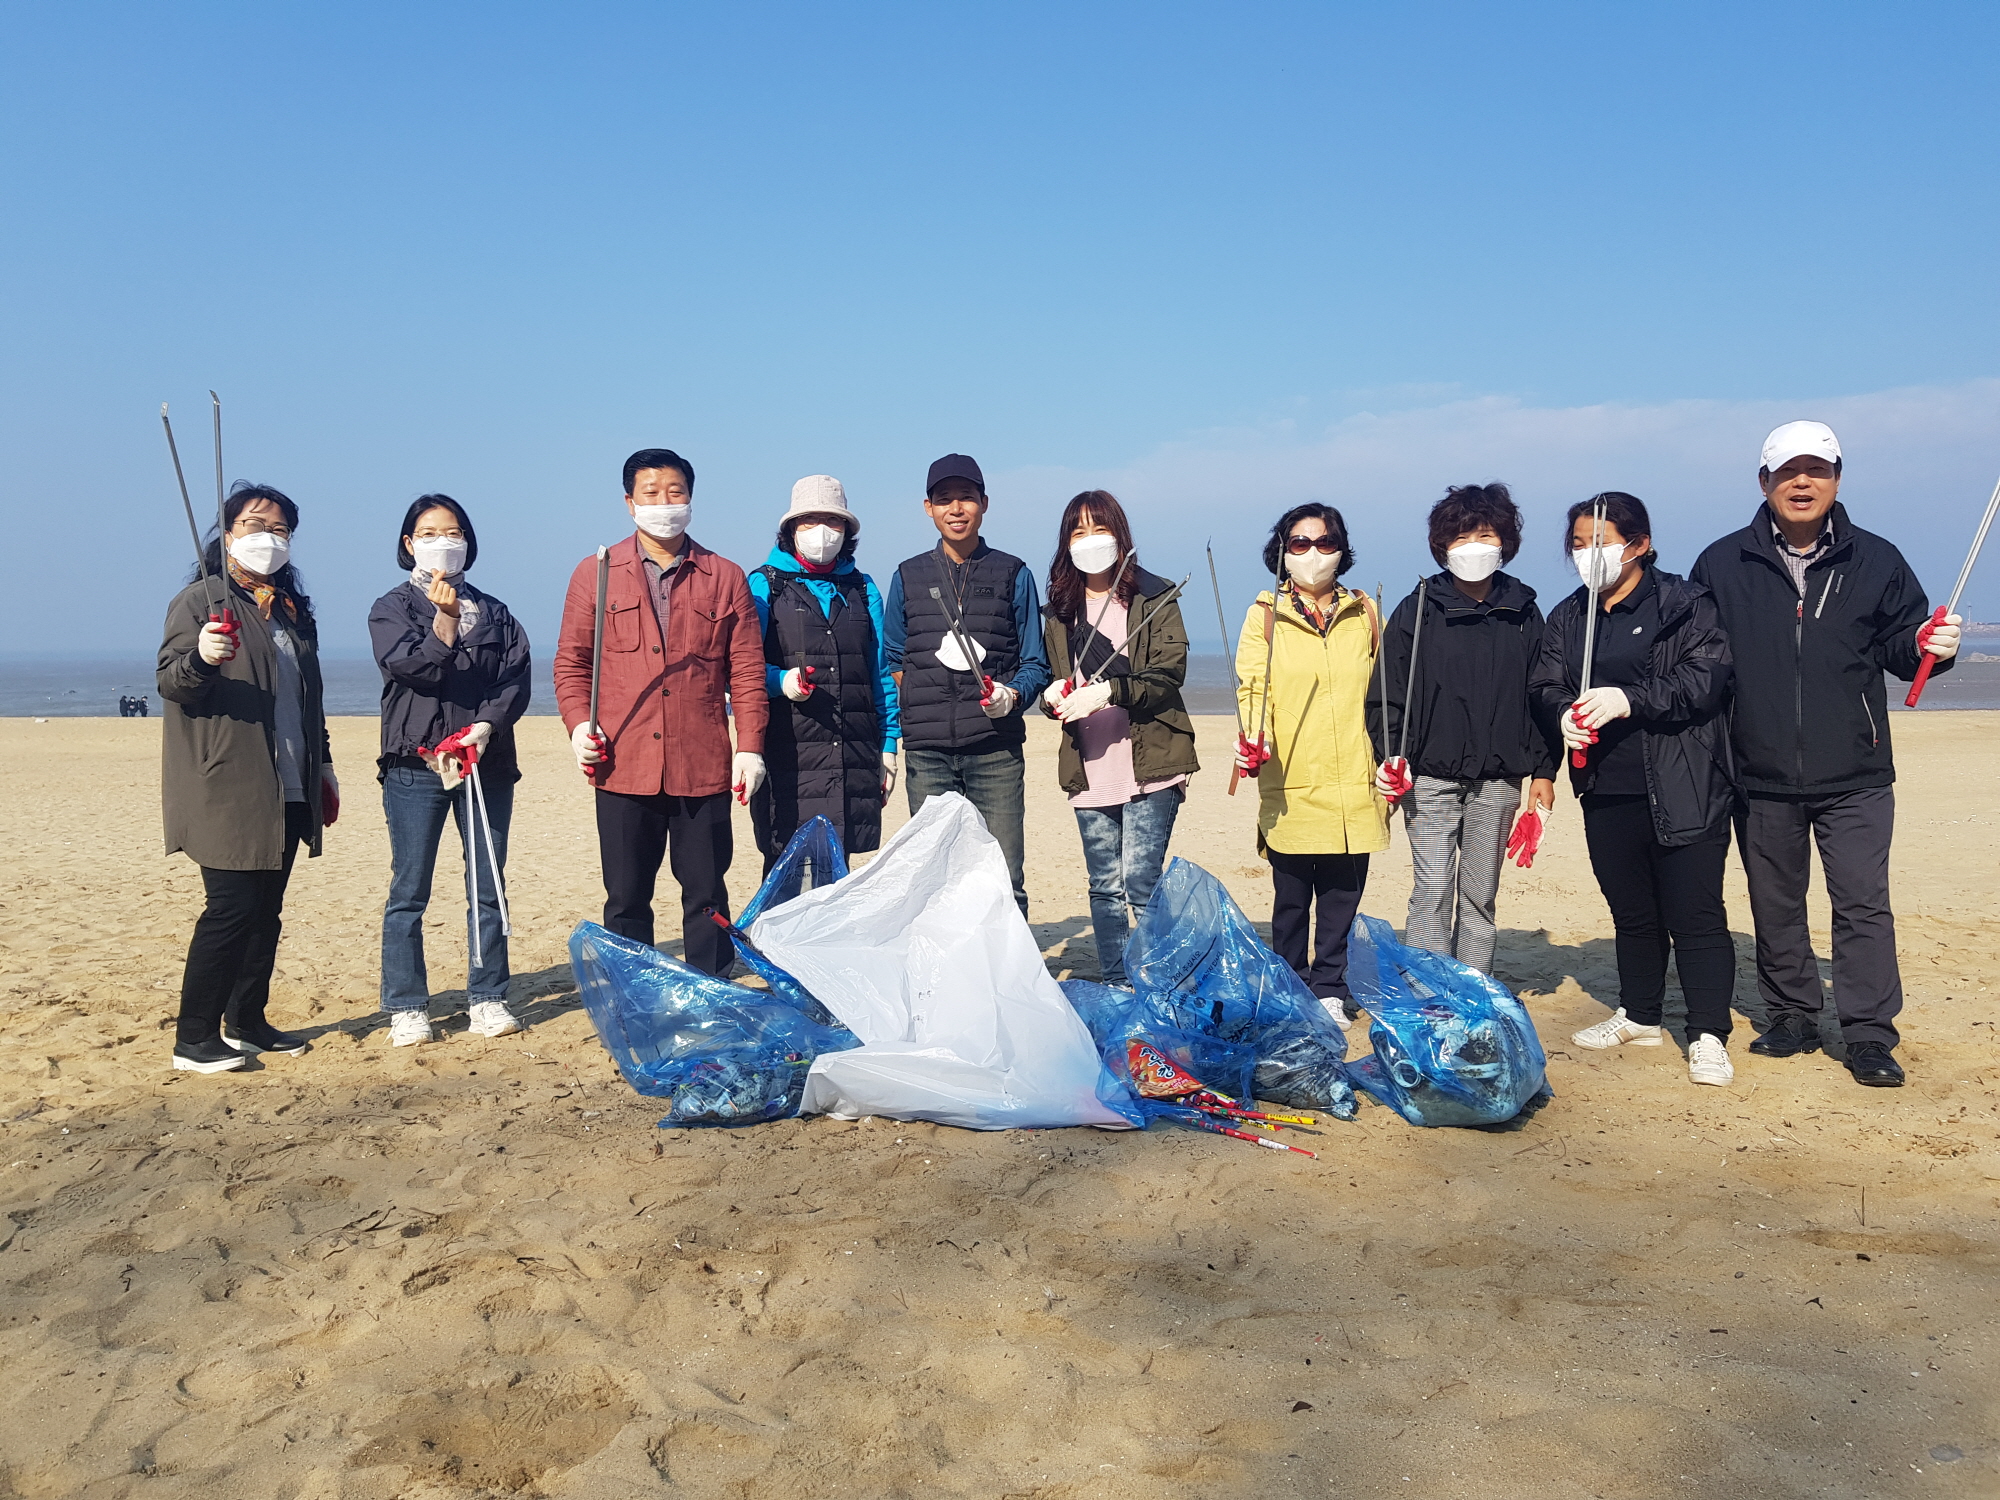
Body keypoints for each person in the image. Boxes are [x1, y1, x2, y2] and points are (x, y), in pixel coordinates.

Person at [1690, 422, 1958, 1088]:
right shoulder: (1722, 563)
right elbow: (1695, 659)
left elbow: (1905, 648)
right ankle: (1792, 1017)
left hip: (1856, 770)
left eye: (1817, 469)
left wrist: (1935, 645)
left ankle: (1868, 1035)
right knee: (1775, 904)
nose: (1801, 482)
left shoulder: (1877, 558)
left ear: (1837, 478)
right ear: (1764, 482)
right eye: (1787, 471)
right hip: (1758, 768)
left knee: (1863, 904)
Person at [1528, 492, 1738, 1088]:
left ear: (1639, 544)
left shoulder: (1685, 604)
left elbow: (1706, 678)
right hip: (1605, 784)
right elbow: (1545, 681)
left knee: (1695, 913)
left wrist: (1630, 699)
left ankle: (1706, 1032)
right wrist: (1561, 713)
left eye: (1600, 541)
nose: (1587, 554)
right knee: (1633, 912)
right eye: (1576, 543)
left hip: (1683, 779)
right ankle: (1641, 1014)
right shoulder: (1570, 615)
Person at [554, 448, 767, 976]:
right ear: (629, 502)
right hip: (623, 765)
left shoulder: (725, 575)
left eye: (675, 492)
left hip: (703, 765)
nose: (664, 503)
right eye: (650, 493)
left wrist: (750, 748)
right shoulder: (595, 573)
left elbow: (745, 672)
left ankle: (713, 990)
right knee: (626, 898)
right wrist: (579, 724)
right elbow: (571, 662)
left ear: (691, 499)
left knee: (707, 895)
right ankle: (636, 997)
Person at [156, 483, 337, 1073]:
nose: (270, 538)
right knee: (230, 908)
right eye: (256, 525)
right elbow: (174, 683)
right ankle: (195, 1037)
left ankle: (248, 1020)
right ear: (228, 532)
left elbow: (309, 699)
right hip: (228, 781)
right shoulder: (200, 601)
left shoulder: (288, 608)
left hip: (290, 779)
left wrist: (325, 766)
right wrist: (203, 655)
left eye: (281, 529)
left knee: (267, 910)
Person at [369, 494, 534, 1046]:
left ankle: (488, 996)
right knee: (409, 889)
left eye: (454, 531)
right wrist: (442, 619)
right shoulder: (390, 608)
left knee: (488, 882)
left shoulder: (495, 612)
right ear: (409, 544)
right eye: (430, 532)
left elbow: (514, 677)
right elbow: (408, 666)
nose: (445, 541)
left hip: (484, 765)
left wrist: (485, 726)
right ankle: (407, 1005)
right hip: (416, 766)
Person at [1378, 484, 1558, 976]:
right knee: (1433, 891)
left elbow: (1543, 694)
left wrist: (1544, 769)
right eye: (1460, 536)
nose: (1473, 546)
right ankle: (1429, 991)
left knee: (1480, 895)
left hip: (1500, 778)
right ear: (1442, 546)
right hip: (1429, 776)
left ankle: (1471, 989)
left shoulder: (1524, 611)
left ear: (1504, 541)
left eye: (1484, 534)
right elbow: (1388, 693)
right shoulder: (1417, 607)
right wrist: (1391, 756)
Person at [1233, 504, 1388, 1014]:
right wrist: (1255, 738)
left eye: (1324, 543)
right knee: (1292, 900)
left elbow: (1387, 694)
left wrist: (1391, 758)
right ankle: (1292, 984)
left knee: (1342, 897)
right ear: (1282, 552)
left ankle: (1331, 987)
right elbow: (1253, 686)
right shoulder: (1264, 616)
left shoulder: (1364, 612)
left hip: (1352, 776)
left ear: (1342, 549)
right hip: (1292, 774)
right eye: (1299, 544)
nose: (1313, 554)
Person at [1037, 490, 1198, 984]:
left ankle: (1158, 979)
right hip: (1089, 763)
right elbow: (1049, 679)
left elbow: (1168, 673)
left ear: (1120, 536)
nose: (1090, 541)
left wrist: (1109, 690)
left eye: (1099, 529)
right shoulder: (1057, 613)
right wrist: (1050, 698)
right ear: (1066, 542)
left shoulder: (1156, 596)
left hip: (1151, 757)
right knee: (1104, 885)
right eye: (1078, 531)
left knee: (1141, 879)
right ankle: (1114, 979)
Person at [882, 454, 1052, 916]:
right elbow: (893, 657)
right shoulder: (907, 574)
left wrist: (1010, 697)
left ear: (984, 504)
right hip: (928, 754)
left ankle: (1009, 981)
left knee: (1004, 874)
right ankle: (945, 980)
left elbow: (1036, 663)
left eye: (966, 498)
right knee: (934, 877)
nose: (955, 509)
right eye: (944, 500)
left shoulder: (1014, 573)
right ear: (928, 508)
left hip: (995, 750)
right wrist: (920, 703)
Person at [747, 475, 899, 869]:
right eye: (809, 520)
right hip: (788, 758)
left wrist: (888, 746)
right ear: (790, 529)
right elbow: (743, 669)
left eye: (832, 521)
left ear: (847, 530)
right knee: (782, 873)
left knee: (837, 875)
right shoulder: (765, 585)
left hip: (852, 757)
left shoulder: (864, 589)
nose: (821, 531)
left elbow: (879, 675)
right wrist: (781, 681)